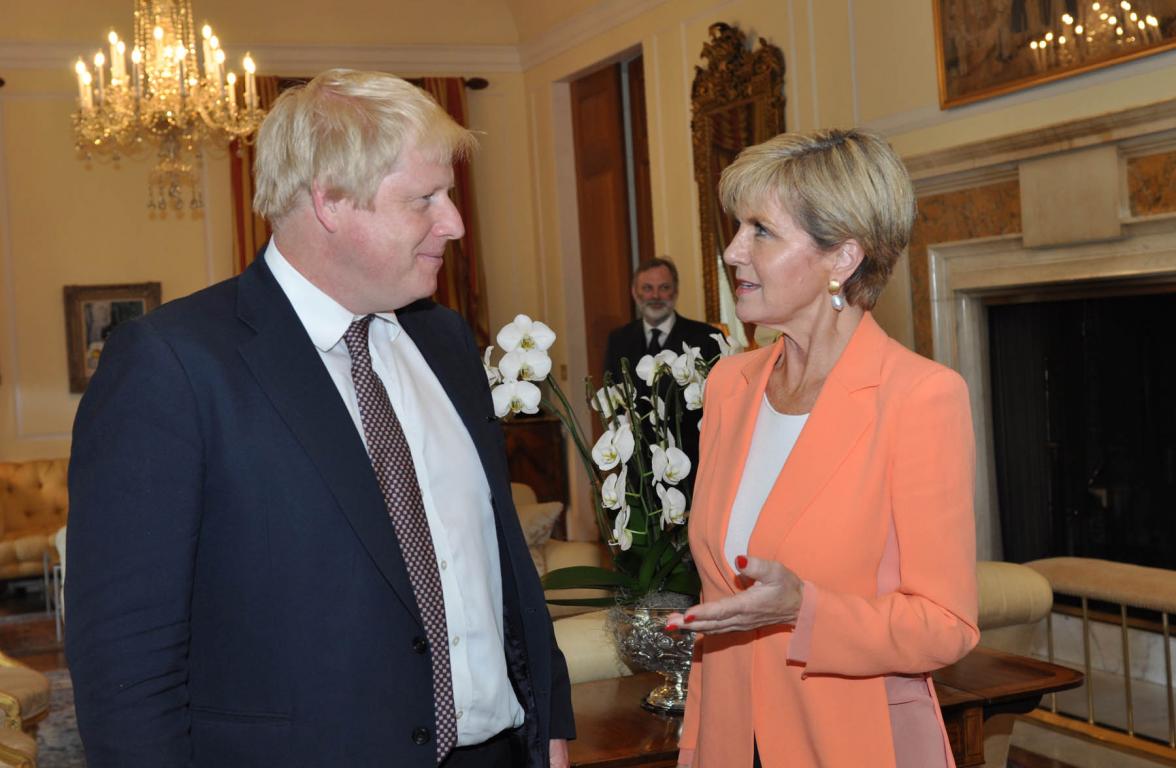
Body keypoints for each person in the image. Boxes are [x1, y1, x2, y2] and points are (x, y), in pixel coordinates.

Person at [65, 69, 573, 768]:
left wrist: (550, 722)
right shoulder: (172, 367)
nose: (454, 222)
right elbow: (127, 661)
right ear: (330, 200)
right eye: (425, 198)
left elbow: (499, 563)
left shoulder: (446, 342)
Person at [667, 129, 979, 767]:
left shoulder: (920, 397)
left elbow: (946, 624)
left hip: (855, 744)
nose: (732, 251)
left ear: (842, 258)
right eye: (736, 227)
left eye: (761, 230)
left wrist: (804, 609)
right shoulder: (730, 385)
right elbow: (717, 603)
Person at [603, 258, 721, 462]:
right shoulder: (618, 340)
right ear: (634, 292)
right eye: (647, 288)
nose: (656, 296)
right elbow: (614, 399)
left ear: (675, 291)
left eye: (664, 287)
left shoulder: (706, 338)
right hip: (637, 465)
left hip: (691, 461)